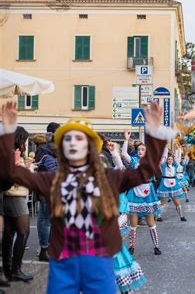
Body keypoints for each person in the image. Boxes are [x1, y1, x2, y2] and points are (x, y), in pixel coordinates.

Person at [0, 101, 171, 293]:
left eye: (79, 139)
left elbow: (145, 170)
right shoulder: (51, 179)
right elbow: (10, 173)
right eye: (68, 139)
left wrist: (155, 132)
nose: (73, 142)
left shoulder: (109, 177)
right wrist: (7, 132)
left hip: (100, 262)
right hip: (64, 264)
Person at [2, 126, 33, 282]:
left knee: (9, 233)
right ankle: (15, 269)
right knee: (23, 232)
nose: (26, 144)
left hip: (12, 197)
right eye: (25, 140)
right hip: (15, 196)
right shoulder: (12, 154)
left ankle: (8, 270)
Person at [33, 134, 58, 262]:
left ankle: (46, 249)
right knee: (46, 221)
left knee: (45, 221)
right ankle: (45, 249)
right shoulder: (48, 157)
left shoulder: (42, 155)